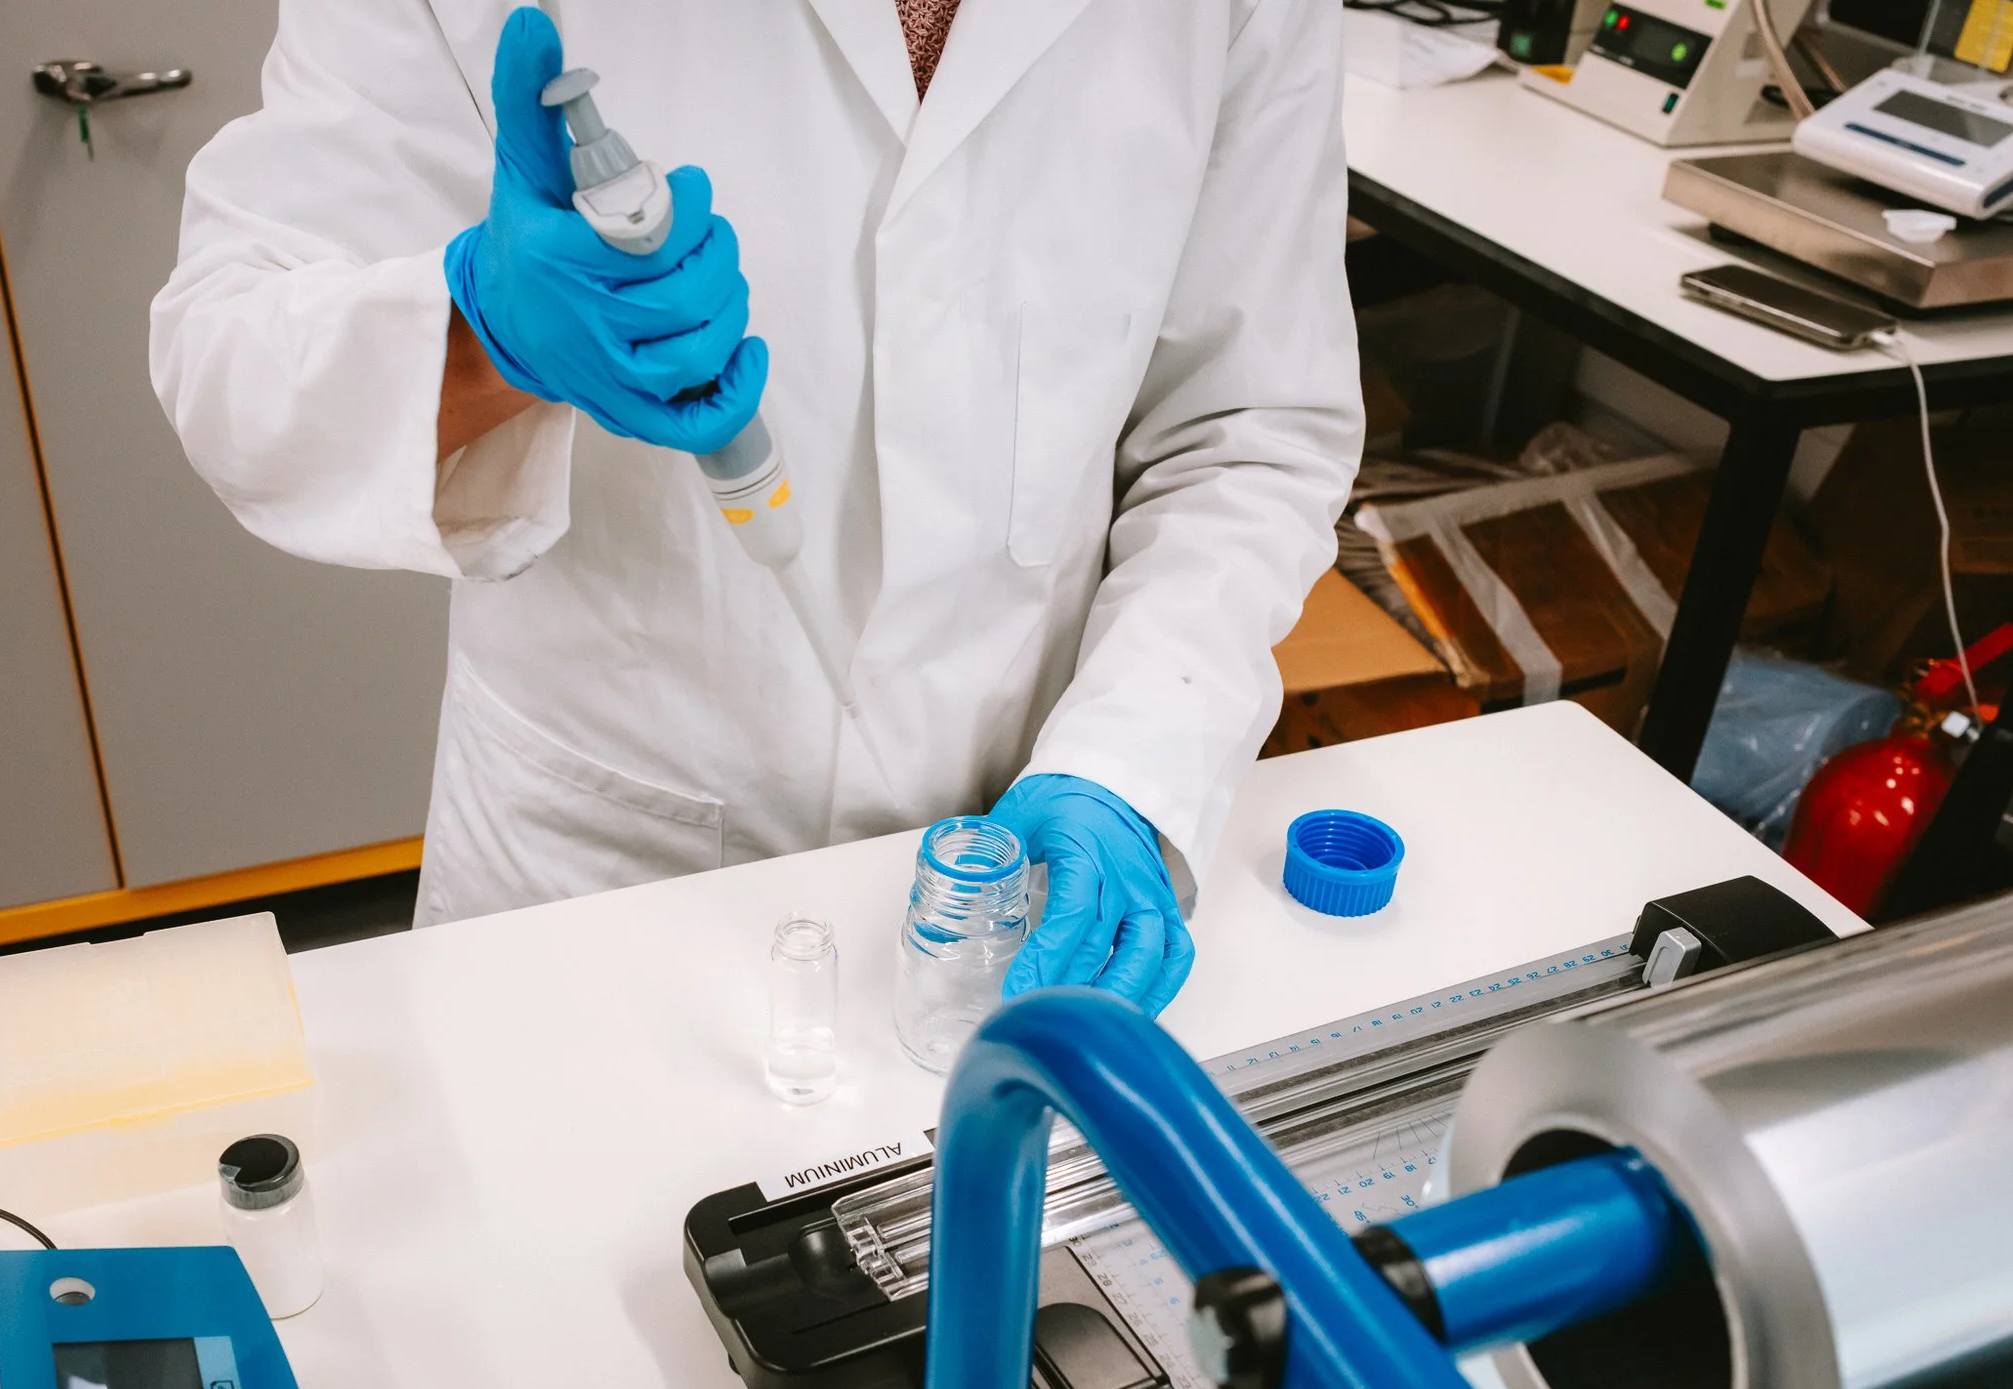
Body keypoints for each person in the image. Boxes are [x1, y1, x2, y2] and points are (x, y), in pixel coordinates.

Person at [152, 0, 1362, 1016]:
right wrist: (487, 331)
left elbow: (1249, 424)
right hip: (606, 879)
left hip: (1019, 854)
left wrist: (1131, 761)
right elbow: (230, 364)